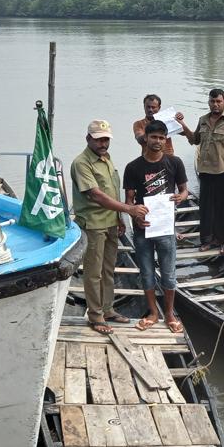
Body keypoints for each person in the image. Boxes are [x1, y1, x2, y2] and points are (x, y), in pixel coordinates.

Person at [71, 120, 148, 335]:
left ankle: (108, 309)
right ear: (88, 139)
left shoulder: (105, 158)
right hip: (93, 225)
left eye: (105, 139)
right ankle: (95, 316)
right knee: (93, 273)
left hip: (111, 222)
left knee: (108, 271)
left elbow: (111, 190)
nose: (103, 143)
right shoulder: (81, 163)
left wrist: (120, 218)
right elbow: (96, 194)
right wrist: (129, 209)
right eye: (98, 139)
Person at [123, 120, 189, 333]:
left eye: (162, 138)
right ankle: (153, 312)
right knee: (147, 273)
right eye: (154, 137)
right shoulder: (133, 167)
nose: (158, 141)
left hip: (165, 228)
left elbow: (184, 190)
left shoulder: (175, 163)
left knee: (169, 274)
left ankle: (169, 314)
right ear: (146, 139)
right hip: (143, 228)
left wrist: (181, 197)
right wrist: (135, 217)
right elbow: (129, 201)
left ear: (165, 139)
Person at [176, 88, 224, 254]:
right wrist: (182, 125)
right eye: (212, 101)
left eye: (219, 101)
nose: (215, 104)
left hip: (222, 172)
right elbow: (194, 140)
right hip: (205, 172)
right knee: (206, 208)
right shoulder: (203, 120)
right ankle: (210, 240)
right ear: (208, 102)